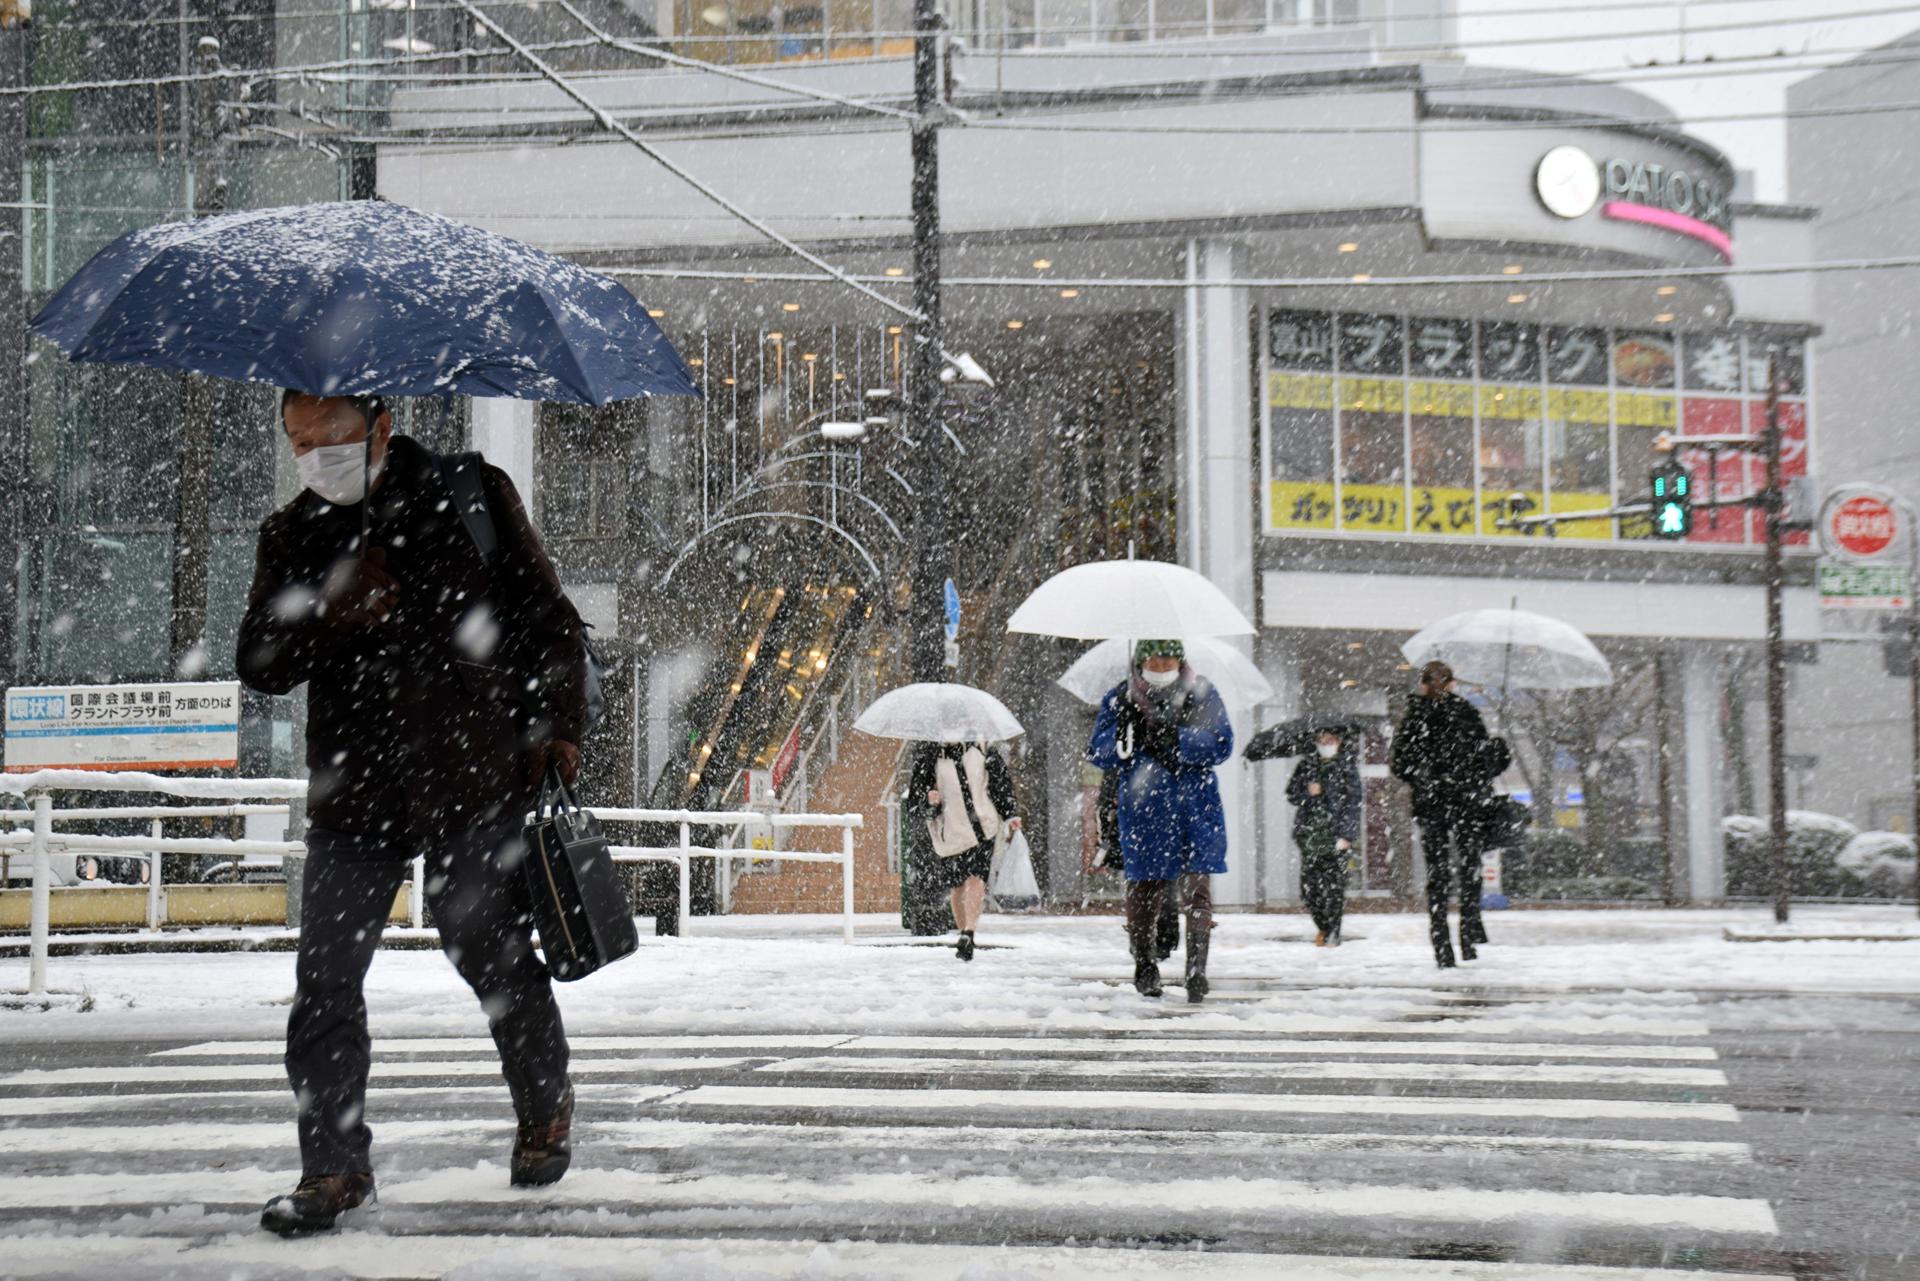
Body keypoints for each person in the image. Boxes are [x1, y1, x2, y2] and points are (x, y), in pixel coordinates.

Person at [237, 391, 586, 1235]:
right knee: (324, 975)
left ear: (381, 426)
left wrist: (557, 726)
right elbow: (259, 659)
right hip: (353, 792)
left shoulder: (470, 494)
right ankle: (332, 1167)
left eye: (330, 434)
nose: (314, 453)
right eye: (297, 439)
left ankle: (545, 1099)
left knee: (488, 950)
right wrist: (331, 604)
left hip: (468, 773)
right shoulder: (292, 534)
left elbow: (550, 620)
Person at [1087, 639, 1234, 1002]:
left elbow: (1221, 743)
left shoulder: (1202, 693)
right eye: (1154, 658)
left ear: (1180, 659)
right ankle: (1144, 962)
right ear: (1140, 661)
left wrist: (1179, 738)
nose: (1162, 665)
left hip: (1195, 808)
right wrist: (1125, 739)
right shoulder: (1120, 697)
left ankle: (1197, 968)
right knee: (1144, 890)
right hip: (1145, 808)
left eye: (1169, 658)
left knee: (1197, 886)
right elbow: (1098, 750)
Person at [1390, 660, 1499, 969]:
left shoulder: (1414, 718)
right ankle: (1468, 934)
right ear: (1452, 684)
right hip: (1465, 802)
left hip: (1432, 804)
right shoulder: (1466, 714)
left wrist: (1426, 778)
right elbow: (1485, 761)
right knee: (1469, 867)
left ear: (1423, 685)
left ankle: (1441, 943)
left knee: (1438, 875)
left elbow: (1400, 765)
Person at [912, 739, 1020, 961]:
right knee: (957, 884)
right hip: (951, 831)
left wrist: (1010, 813)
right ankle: (964, 933)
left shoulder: (981, 748)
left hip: (983, 826)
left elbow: (1000, 783)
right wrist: (929, 801)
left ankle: (968, 931)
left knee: (976, 876)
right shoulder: (930, 754)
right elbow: (916, 801)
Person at [1290, 726, 1361, 948]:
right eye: (1322, 739)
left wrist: (1347, 835)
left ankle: (1333, 932)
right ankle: (1324, 925)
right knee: (1309, 889)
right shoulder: (1307, 765)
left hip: (1335, 837)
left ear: (1339, 742)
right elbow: (1292, 794)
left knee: (1334, 888)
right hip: (1310, 837)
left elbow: (1353, 803)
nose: (1326, 744)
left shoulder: (1346, 768)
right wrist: (1306, 792)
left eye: (1330, 740)